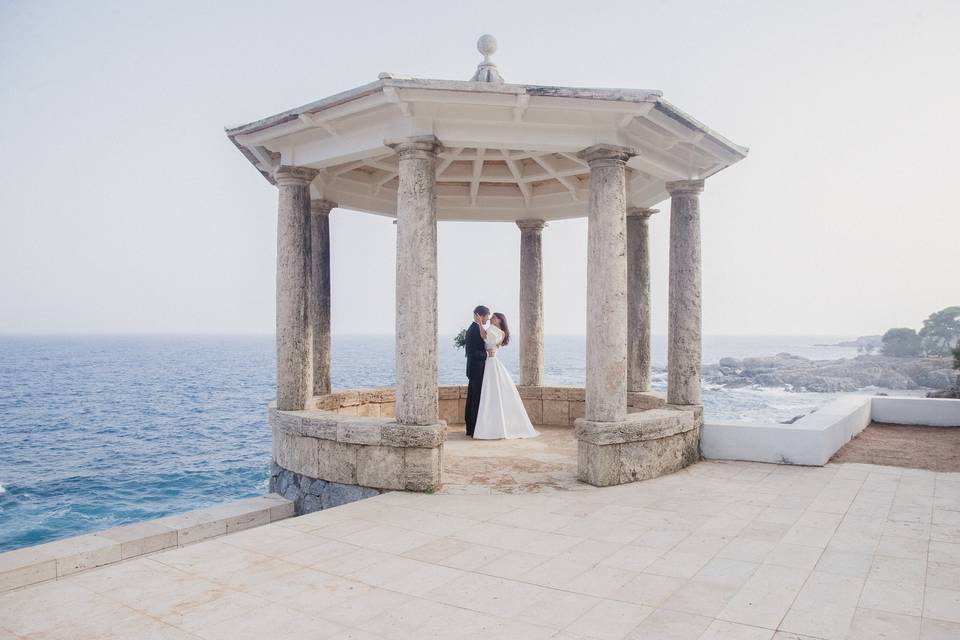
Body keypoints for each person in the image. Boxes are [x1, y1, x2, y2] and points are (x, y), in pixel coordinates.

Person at [473, 312, 539, 440]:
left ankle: (497, 428)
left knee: (493, 392)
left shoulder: (499, 332)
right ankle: (490, 425)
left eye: (494, 317)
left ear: (500, 321)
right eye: (491, 316)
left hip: (492, 363)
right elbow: (485, 339)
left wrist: (480, 323)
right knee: (489, 394)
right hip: (488, 362)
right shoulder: (492, 329)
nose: (491, 317)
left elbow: (486, 338)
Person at [463, 305, 491, 437]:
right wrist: (486, 355)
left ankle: (472, 428)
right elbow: (472, 352)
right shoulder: (473, 330)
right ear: (480, 315)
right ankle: (472, 429)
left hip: (476, 370)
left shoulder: (476, 328)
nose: (488, 319)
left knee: (474, 399)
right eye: (487, 316)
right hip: (476, 371)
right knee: (474, 400)